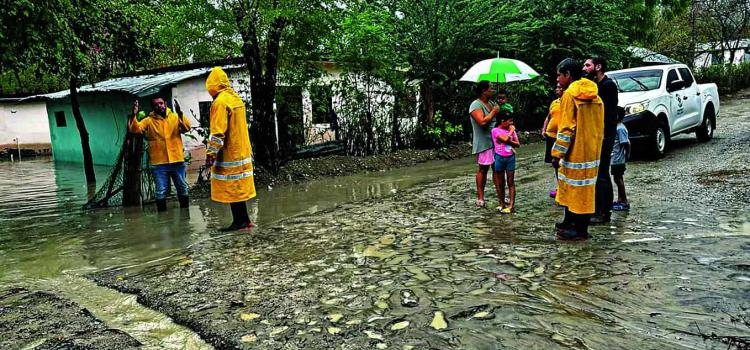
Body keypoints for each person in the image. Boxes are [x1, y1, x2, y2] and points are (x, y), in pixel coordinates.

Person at [551, 58, 604, 241]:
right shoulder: (595, 95)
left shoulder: (569, 96)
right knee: (584, 190)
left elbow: (566, 128)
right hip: (591, 151)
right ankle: (570, 222)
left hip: (574, 152)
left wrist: (557, 154)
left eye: (559, 75)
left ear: (568, 75)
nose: (558, 79)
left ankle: (579, 229)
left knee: (574, 189)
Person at [205, 67, 256, 232]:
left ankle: (239, 222)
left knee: (232, 188)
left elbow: (218, 131)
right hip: (242, 151)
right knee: (238, 188)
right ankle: (245, 220)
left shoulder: (220, 102)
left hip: (230, 153)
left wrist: (211, 153)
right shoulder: (236, 99)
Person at [129, 98, 191, 212]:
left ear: (165, 104)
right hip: (159, 163)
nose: (159, 106)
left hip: (177, 160)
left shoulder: (175, 117)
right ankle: (163, 218)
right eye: (156, 104)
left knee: (182, 188)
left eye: (161, 103)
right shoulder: (149, 120)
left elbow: (187, 128)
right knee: (160, 190)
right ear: (153, 107)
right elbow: (135, 129)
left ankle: (185, 214)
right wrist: (134, 115)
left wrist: (180, 113)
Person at [583, 57, 618, 224]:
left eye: (587, 65)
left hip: (605, 134)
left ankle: (605, 212)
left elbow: (608, 113)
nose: (585, 68)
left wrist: (603, 133)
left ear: (598, 66)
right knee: (597, 173)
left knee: (603, 172)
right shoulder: (595, 85)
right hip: (597, 134)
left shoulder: (608, 85)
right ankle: (597, 209)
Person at [469, 81, 500, 208]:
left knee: (497, 170)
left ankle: (501, 197)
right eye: (491, 88)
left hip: (495, 142)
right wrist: (493, 112)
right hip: (484, 143)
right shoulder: (475, 105)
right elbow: (482, 121)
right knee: (483, 169)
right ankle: (480, 197)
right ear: (484, 91)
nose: (493, 91)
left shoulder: (492, 103)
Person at [492, 113, 520, 214]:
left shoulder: (510, 130)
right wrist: (511, 131)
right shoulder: (495, 130)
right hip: (499, 157)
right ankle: (502, 203)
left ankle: (511, 205)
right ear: (502, 121)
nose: (511, 123)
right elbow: (504, 139)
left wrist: (510, 140)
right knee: (500, 183)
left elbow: (518, 144)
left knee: (511, 181)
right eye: (509, 121)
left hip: (510, 158)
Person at [542, 84, 564, 198]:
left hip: (562, 136)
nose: (557, 89)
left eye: (560, 88)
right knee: (554, 163)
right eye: (557, 87)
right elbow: (548, 117)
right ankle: (559, 187)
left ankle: (564, 188)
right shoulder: (554, 102)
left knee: (562, 162)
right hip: (551, 135)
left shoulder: (568, 101)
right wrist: (544, 129)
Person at [611, 110, 631, 211]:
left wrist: (627, 154)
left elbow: (626, 143)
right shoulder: (617, 127)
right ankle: (620, 199)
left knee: (618, 179)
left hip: (618, 159)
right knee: (617, 178)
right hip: (615, 158)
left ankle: (624, 200)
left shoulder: (620, 128)